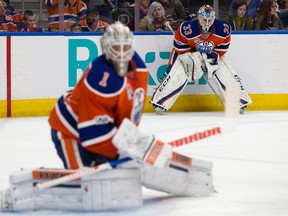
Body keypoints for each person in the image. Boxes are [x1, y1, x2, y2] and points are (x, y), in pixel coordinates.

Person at [48, 21, 148, 169]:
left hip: (102, 129)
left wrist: (134, 144)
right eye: (116, 48)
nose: (121, 53)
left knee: (114, 180)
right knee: (85, 184)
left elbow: (129, 116)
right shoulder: (100, 79)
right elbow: (92, 134)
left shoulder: (139, 68)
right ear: (106, 48)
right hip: (70, 129)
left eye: (125, 47)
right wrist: (129, 150)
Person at [150, 5, 252, 114]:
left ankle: (238, 101)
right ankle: (160, 102)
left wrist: (214, 55)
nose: (207, 22)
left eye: (209, 20)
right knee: (179, 71)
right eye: (204, 19)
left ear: (214, 18)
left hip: (210, 53)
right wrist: (195, 56)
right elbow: (179, 46)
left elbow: (223, 46)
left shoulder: (224, 29)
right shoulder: (187, 28)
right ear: (199, 17)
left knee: (222, 68)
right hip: (188, 53)